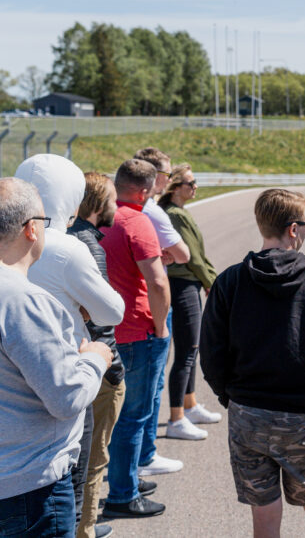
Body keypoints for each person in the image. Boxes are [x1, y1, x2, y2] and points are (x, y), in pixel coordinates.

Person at [201, 188, 305, 538]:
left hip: (247, 414)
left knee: (264, 513)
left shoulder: (230, 280)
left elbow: (210, 352)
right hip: (302, 415)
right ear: (294, 229)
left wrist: (230, 397)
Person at [0, 178, 112, 538]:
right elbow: (66, 398)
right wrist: (95, 358)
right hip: (30, 485)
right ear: (31, 229)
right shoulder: (22, 300)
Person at [14, 155, 126, 536]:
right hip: (65, 374)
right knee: (71, 479)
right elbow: (113, 311)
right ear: (69, 199)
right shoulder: (66, 247)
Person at [69, 172, 156, 538]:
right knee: (93, 459)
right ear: (97, 205)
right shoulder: (90, 246)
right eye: (109, 201)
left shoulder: (71, 239)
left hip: (80, 362)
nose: (115, 208)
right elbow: (105, 317)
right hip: (98, 367)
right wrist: (114, 370)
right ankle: (84, 529)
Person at [100, 159, 173, 519]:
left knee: (115, 415)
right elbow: (158, 281)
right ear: (144, 191)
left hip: (106, 331)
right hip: (138, 331)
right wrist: (160, 327)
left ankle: (122, 477)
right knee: (134, 416)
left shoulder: (101, 219)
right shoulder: (137, 221)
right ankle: (123, 495)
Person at [132, 148, 191, 469]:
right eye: (167, 175)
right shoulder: (152, 211)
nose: (169, 181)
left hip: (130, 302)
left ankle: (139, 456)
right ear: (155, 176)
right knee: (150, 387)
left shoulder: (129, 207)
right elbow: (182, 254)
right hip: (150, 305)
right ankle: (145, 455)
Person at [158, 164, 220, 441]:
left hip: (188, 282)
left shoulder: (179, 212)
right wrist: (212, 282)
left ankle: (190, 404)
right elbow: (193, 257)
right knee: (186, 351)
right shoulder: (175, 215)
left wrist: (209, 279)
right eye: (190, 183)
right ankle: (176, 417)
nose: (195, 187)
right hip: (182, 284)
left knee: (190, 349)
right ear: (175, 188)